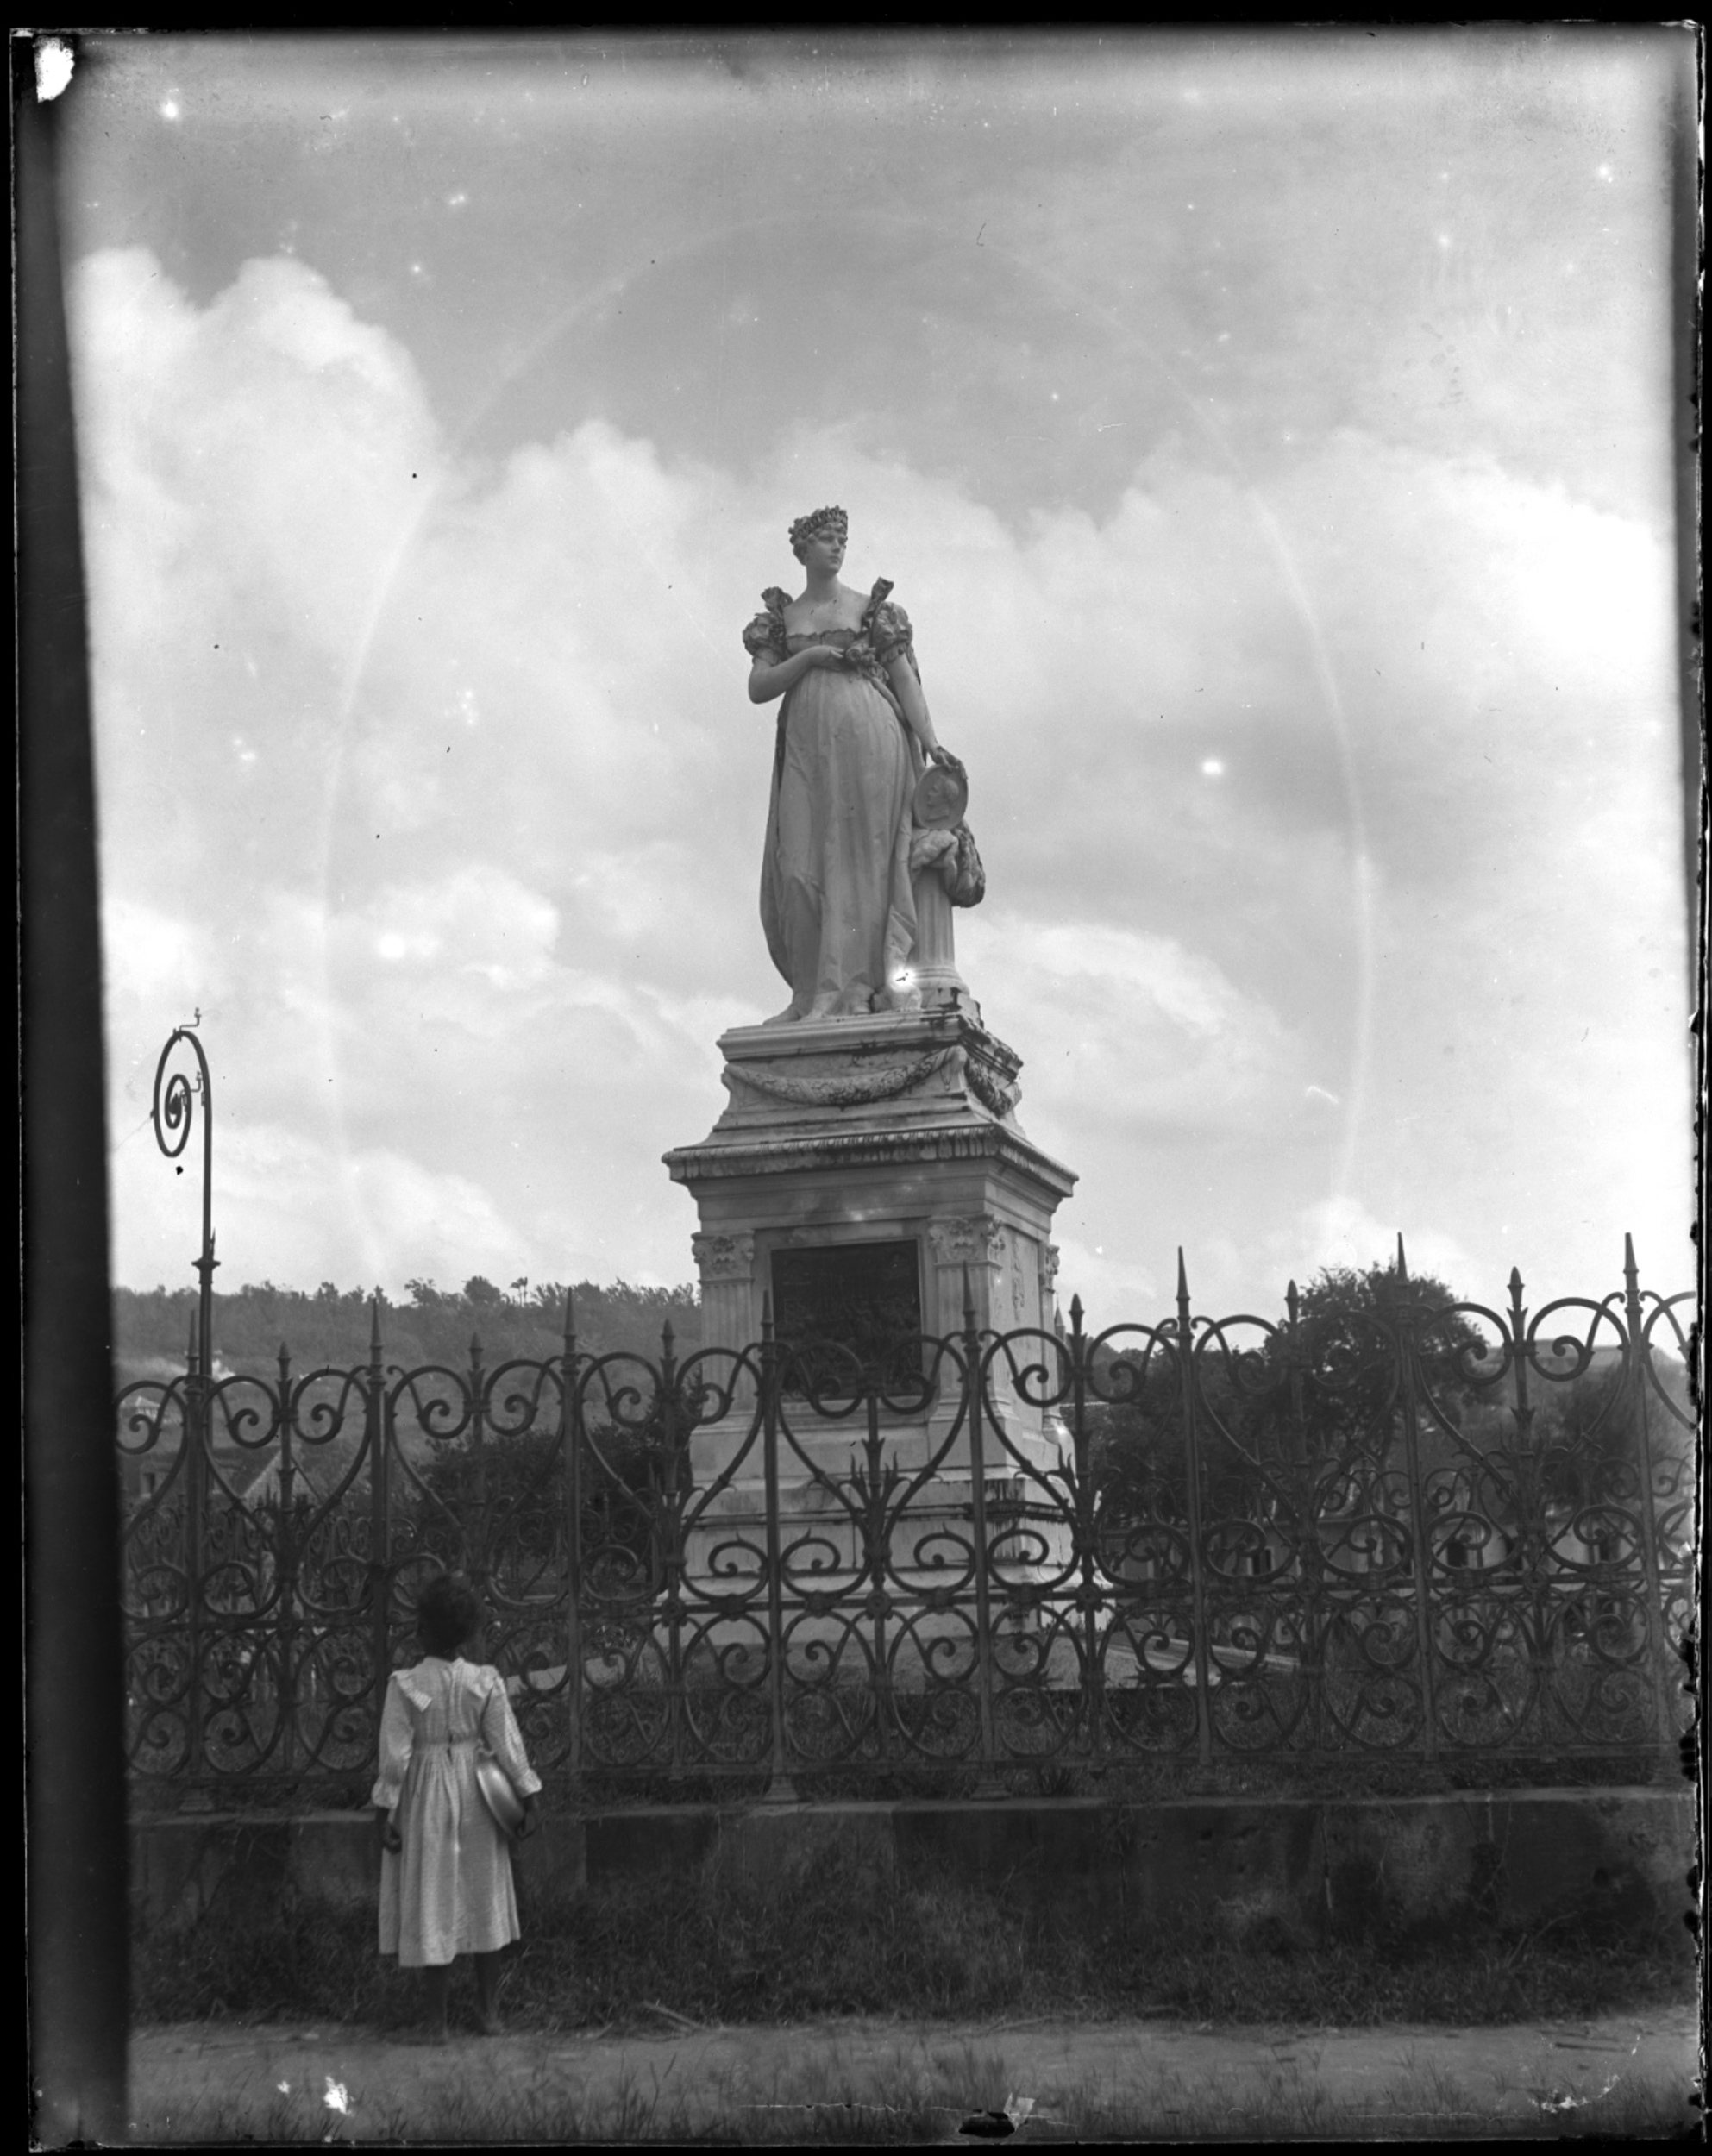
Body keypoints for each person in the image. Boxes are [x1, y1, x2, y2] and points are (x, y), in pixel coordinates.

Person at [744, 505, 959, 1022]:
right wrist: (811, 659)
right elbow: (758, 689)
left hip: (870, 742)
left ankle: (852, 990)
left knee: (861, 865)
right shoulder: (781, 620)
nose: (838, 548)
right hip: (805, 748)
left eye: (843, 539)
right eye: (827, 540)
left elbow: (904, 678)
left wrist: (931, 742)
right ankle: (810, 991)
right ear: (803, 551)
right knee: (798, 868)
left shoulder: (870, 609)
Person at [371, 1573, 541, 2041]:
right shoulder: (483, 1681)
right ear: (467, 1633)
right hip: (477, 1793)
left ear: (422, 1629)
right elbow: (508, 1745)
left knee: (432, 1898)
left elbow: (395, 1757)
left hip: (425, 1796)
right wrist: (528, 1796)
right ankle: (488, 2014)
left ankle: (436, 2023)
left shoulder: (404, 1684)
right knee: (483, 1895)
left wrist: (384, 1812)